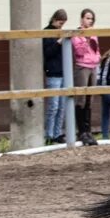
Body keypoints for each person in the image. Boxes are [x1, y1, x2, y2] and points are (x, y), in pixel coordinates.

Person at [71, 8, 100, 146]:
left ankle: (88, 131)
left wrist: (97, 59)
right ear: (82, 19)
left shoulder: (94, 33)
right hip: (82, 66)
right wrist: (86, 39)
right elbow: (79, 51)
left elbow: (96, 49)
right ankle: (81, 131)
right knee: (81, 99)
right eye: (87, 18)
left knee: (90, 99)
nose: (89, 21)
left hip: (93, 66)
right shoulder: (77, 34)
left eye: (91, 19)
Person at [42, 9, 68, 145]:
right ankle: (49, 134)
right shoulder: (46, 32)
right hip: (53, 73)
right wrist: (58, 42)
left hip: (63, 73)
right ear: (54, 19)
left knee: (62, 106)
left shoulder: (60, 32)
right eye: (59, 22)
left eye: (62, 24)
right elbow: (48, 53)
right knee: (53, 106)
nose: (60, 25)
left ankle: (57, 133)